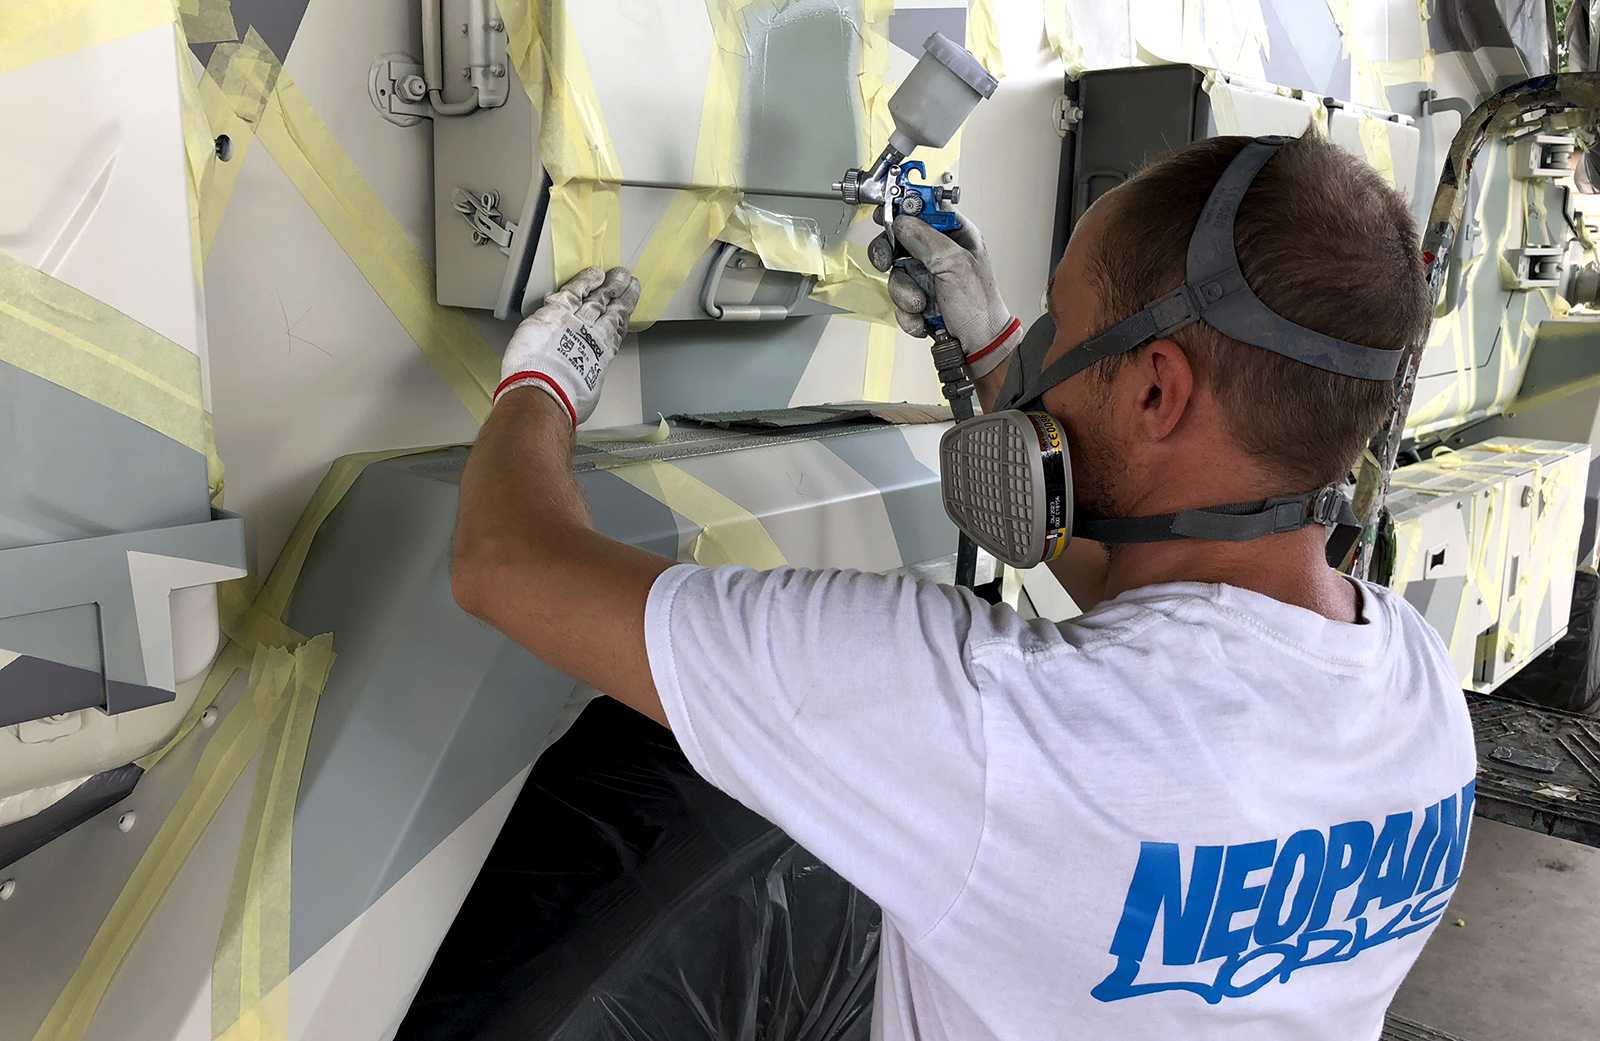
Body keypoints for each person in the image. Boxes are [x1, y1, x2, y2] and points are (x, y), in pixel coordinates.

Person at [451, 132, 1476, 1040]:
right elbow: (1170, 630)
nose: (1040, 359)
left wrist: (543, 384)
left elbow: (506, 561)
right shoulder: (1418, 693)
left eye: (1061, 327)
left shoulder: (994, 728)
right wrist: (991, 354)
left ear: (1158, 389)